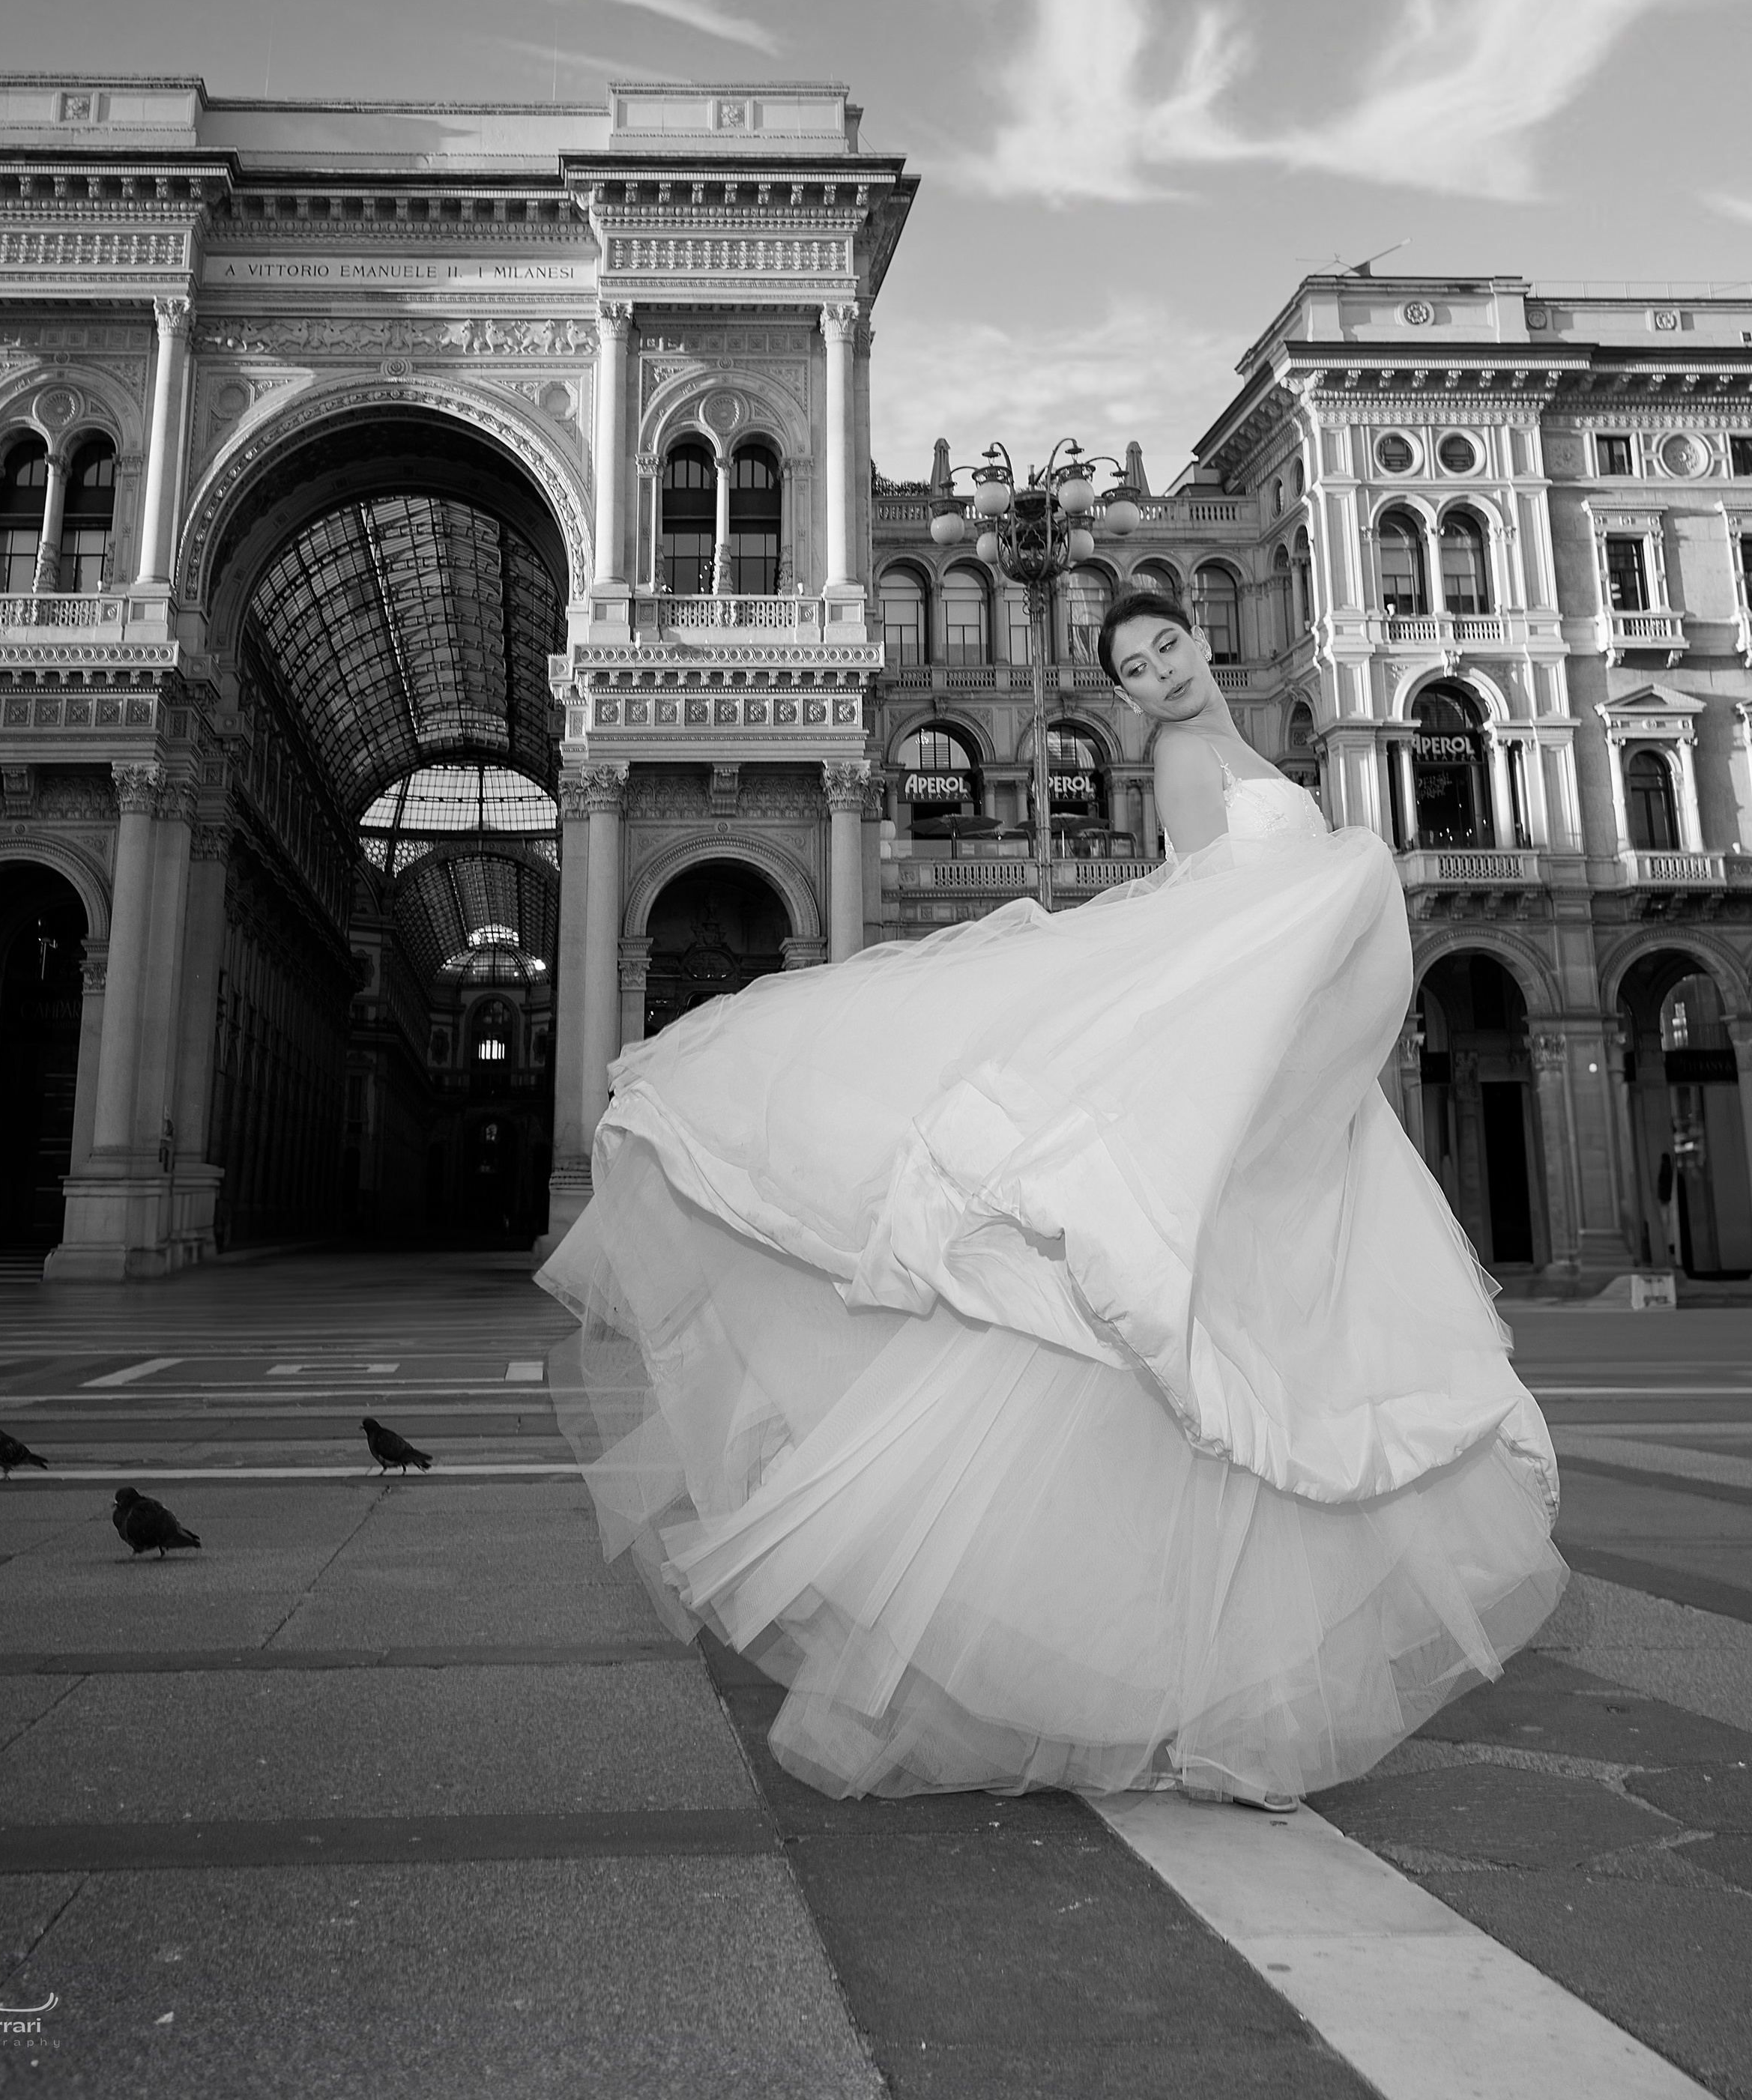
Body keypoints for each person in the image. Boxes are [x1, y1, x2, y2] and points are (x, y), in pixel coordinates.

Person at [540, 583, 1564, 1807]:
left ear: (1196, 636)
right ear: (1125, 694)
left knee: (1234, 1382)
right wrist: (1345, 887)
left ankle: (1218, 1697)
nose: (1162, 673)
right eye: (1134, 669)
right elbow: (1219, 927)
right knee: (1239, 1372)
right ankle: (1229, 1704)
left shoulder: (1228, 738)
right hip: (1260, 1067)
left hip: (1297, 1086)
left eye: (1167, 646)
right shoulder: (1190, 758)